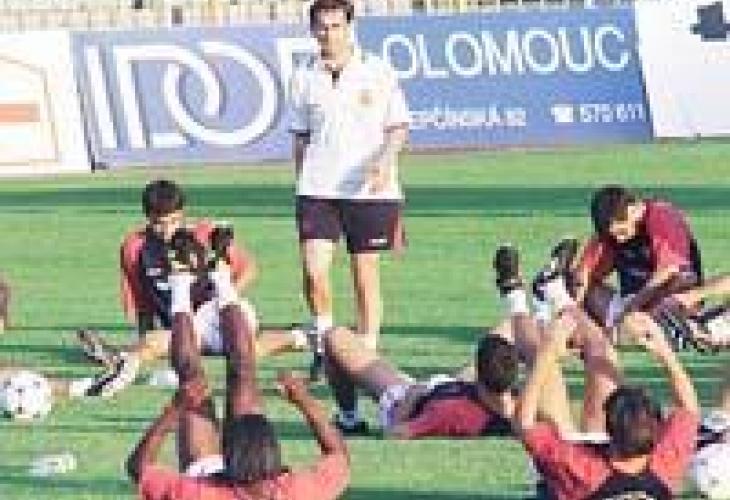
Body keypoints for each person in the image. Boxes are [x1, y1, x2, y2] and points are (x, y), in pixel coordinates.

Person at [126, 243, 350, 499]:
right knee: (241, 372)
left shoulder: (200, 493)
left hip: (206, 474)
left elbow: (138, 469)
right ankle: (221, 278)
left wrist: (173, 411)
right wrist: (304, 401)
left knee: (195, 378)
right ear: (273, 457)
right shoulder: (294, 491)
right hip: (222, 481)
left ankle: (180, 282)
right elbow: (339, 457)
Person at [288, 0, 410, 426]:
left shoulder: (377, 69)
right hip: (318, 190)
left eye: (336, 26)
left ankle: (366, 352)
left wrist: (385, 161)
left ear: (350, 27)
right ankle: (325, 342)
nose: (329, 34)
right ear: (312, 30)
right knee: (314, 272)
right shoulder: (303, 75)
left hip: (368, 190)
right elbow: (300, 137)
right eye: (322, 27)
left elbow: (398, 127)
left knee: (364, 274)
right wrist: (301, 182)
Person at [81, 179, 309, 397]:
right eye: (159, 223)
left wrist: (226, 302)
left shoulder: (204, 233)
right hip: (186, 329)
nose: (167, 230)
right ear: (147, 217)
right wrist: (147, 339)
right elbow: (143, 302)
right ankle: (122, 366)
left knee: (245, 353)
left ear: (182, 214)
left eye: (173, 221)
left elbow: (248, 269)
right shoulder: (134, 247)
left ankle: (301, 337)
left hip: (219, 315)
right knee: (156, 342)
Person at [516, 280, 700, 500]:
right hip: (591, 466)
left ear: (607, 431)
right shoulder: (665, 464)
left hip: (578, 469)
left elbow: (525, 424)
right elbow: (689, 409)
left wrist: (547, 353)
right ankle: (557, 295)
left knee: (545, 368)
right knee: (601, 352)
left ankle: (517, 298)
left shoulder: (581, 468)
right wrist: (664, 350)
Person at [573, 185, 703, 346]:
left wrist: (629, 310)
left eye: (622, 232)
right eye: (614, 235)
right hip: (632, 304)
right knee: (582, 286)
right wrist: (574, 311)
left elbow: (669, 269)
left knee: (681, 278)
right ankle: (628, 331)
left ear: (632, 210)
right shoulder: (610, 230)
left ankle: (674, 326)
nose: (619, 240)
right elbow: (584, 273)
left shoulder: (662, 215)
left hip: (665, 298)